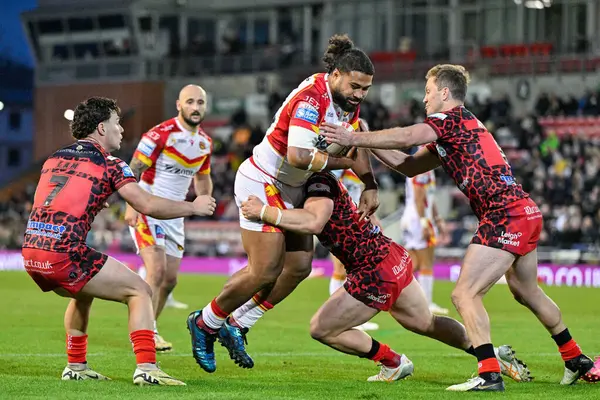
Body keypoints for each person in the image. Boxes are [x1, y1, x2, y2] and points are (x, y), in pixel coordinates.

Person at [320, 64, 596, 391]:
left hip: (504, 214)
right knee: (527, 292)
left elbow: (409, 136)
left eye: (428, 92)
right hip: (524, 210)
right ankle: (576, 358)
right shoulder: (457, 131)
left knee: (464, 294)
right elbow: (408, 166)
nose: (424, 99)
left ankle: (489, 374)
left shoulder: (449, 119)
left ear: (445, 93)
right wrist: (366, 141)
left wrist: (353, 136)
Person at [187, 34, 379, 373]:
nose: (360, 95)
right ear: (335, 75)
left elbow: (353, 141)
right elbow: (298, 155)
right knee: (265, 269)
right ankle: (205, 322)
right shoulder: (311, 98)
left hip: (294, 185)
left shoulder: (346, 100)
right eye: (355, 86)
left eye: (365, 89)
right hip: (263, 180)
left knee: (299, 267)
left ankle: (239, 323)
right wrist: (345, 165)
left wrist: (370, 183)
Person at [239, 170, 531, 384]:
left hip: (373, 270)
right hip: (390, 255)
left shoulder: (318, 182)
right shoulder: (322, 177)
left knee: (322, 328)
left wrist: (263, 211)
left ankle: (392, 362)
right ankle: (489, 354)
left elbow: (314, 221)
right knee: (425, 322)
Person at [21, 97, 216, 385]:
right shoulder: (111, 164)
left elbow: (55, 199)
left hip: (32, 253)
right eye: (117, 123)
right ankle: (147, 368)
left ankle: (76, 366)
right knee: (140, 290)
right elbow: (147, 204)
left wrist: (94, 201)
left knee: (82, 292)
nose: (121, 130)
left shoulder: (54, 157)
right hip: (63, 255)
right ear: (101, 128)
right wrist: (193, 207)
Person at [125, 85, 212, 352]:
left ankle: (150, 326)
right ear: (178, 105)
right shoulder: (159, 134)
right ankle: (145, 335)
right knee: (157, 269)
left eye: (200, 102)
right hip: (149, 206)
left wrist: (204, 199)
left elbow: (202, 177)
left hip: (175, 215)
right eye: (190, 102)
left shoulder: (205, 143)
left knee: (170, 279)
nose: (195, 107)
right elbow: (134, 169)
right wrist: (132, 204)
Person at [330, 168, 379, 331]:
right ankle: (337, 316)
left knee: (355, 271)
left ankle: (350, 317)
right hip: (340, 221)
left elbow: (359, 197)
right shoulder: (338, 166)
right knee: (340, 270)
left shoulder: (356, 168)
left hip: (356, 223)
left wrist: (373, 219)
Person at [400, 153, 449, 315]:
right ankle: (426, 304)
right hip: (418, 220)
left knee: (413, 263)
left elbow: (430, 198)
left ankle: (396, 295)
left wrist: (438, 218)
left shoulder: (424, 170)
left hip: (413, 219)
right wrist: (424, 222)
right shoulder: (422, 171)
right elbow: (419, 197)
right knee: (427, 263)